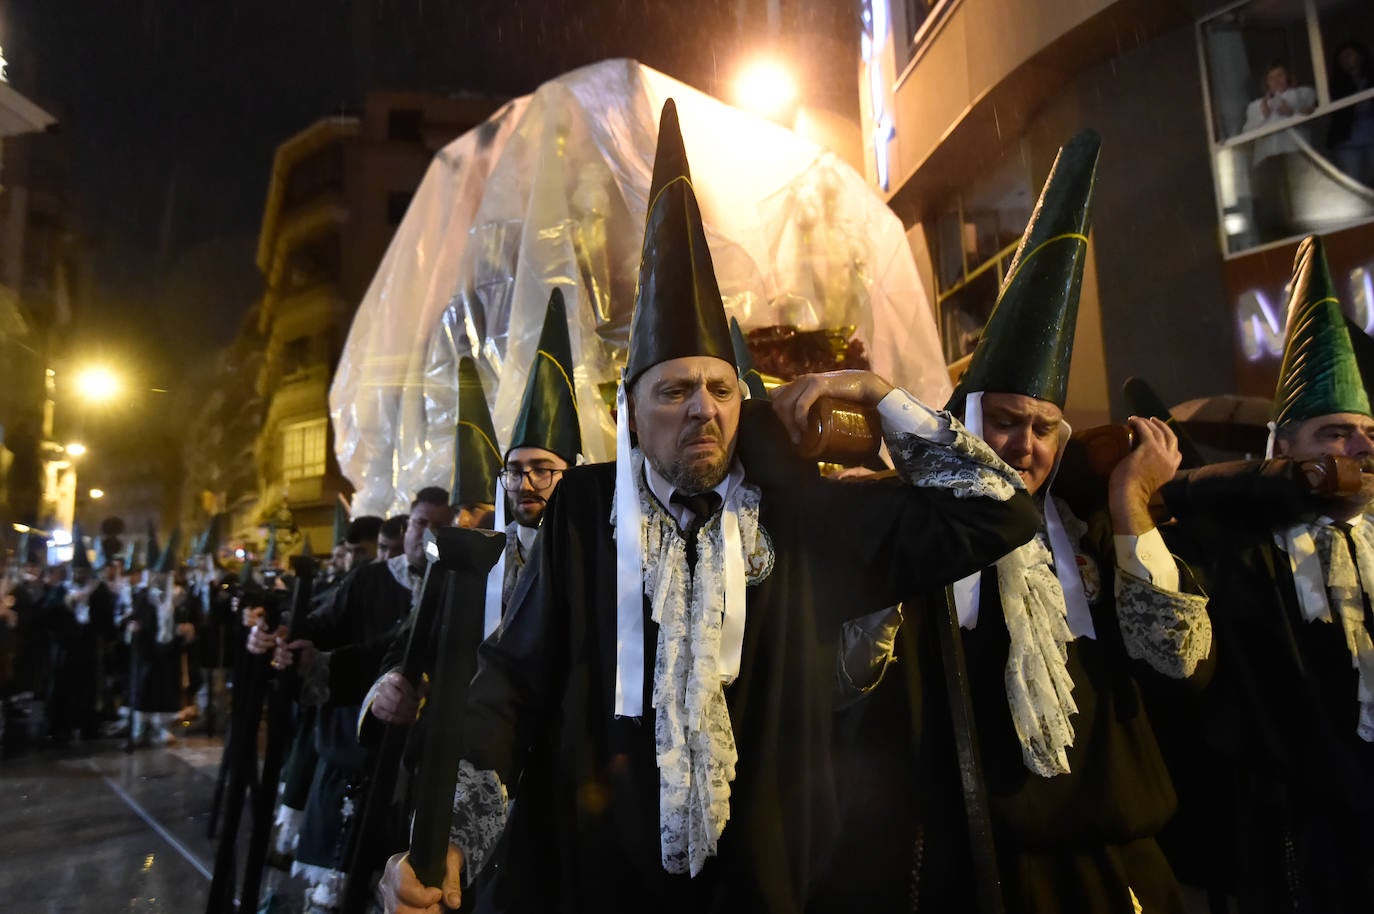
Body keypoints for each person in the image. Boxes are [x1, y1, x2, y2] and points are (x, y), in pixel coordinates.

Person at [383, 98, 1038, 914]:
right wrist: (452, 836)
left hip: (768, 889)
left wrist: (877, 395)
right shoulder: (587, 513)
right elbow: (512, 683)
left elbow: (999, 514)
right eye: (676, 390)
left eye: (722, 389)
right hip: (599, 887)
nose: (705, 409)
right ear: (629, 411)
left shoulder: (797, 517)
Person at [1160, 235, 1374, 914]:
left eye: (1369, 434)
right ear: (1284, 449)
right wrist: (1288, 485)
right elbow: (1186, 501)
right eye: (1336, 433)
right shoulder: (1243, 546)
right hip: (1297, 834)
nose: (1362, 449)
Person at [1242, 62, 1318, 240]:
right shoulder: (1254, 106)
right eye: (1272, 77)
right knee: (1274, 202)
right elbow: (1247, 133)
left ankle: (1305, 234)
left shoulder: (1302, 93)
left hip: (1294, 153)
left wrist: (1291, 111)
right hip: (1267, 159)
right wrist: (1263, 114)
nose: (1276, 80)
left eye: (1280, 75)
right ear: (1266, 83)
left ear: (1288, 77)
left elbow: (1309, 111)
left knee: (1299, 199)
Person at [1327, 40, 1374, 186]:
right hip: (1348, 140)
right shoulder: (1337, 84)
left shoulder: (1370, 77)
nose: (1346, 61)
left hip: (1371, 135)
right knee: (1352, 182)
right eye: (1342, 59)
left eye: (1349, 55)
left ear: (1360, 56)